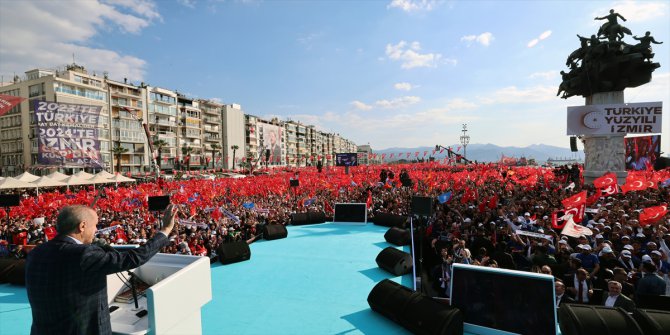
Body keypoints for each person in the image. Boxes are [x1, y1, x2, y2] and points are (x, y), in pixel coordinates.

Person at [25, 204, 178, 335]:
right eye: (95, 225)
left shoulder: (36, 253)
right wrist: (165, 230)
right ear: (82, 226)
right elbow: (135, 258)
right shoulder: (83, 254)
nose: (96, 230)